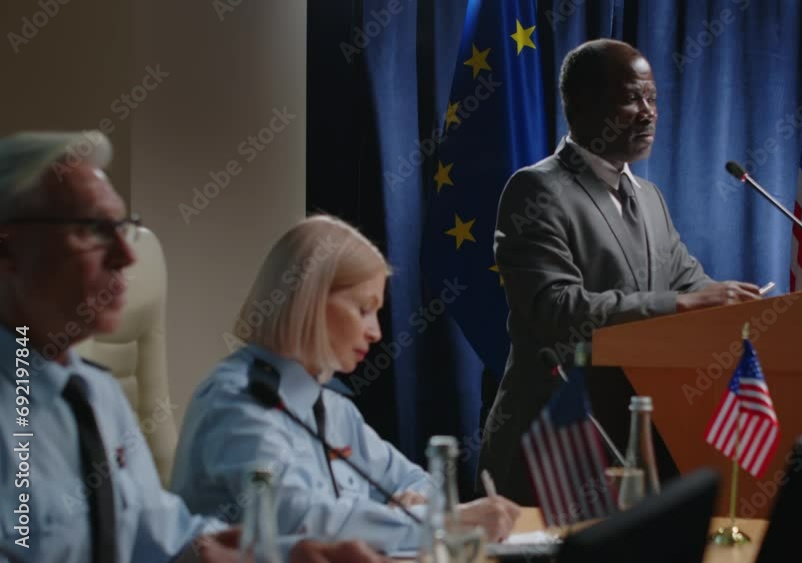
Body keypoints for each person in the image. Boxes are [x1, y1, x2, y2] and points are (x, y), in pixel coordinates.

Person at [0, 130, 388, 563]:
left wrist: (286, 554)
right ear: (8, 249)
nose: (127, 256)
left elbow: (157, 532)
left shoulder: (93, 393)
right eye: (93, 228)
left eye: (123, 227)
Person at [478, 39, 763, 505]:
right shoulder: (536, 189)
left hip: (633, 440)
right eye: (632, 98)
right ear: (582, 104)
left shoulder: (649, 196)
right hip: (555, 442)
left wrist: (758, 307)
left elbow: (691, 282)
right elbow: (555, 308)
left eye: (652, 98)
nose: (648, 112)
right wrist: (680, 304)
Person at [171, 215, 521, 554]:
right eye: (363, 309)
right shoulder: (237, 403)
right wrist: (444, 523)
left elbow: (414, 479)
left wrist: (419, 503)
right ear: (310, 300)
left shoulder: (334, 409)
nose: (376, 332)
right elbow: (300, 520)